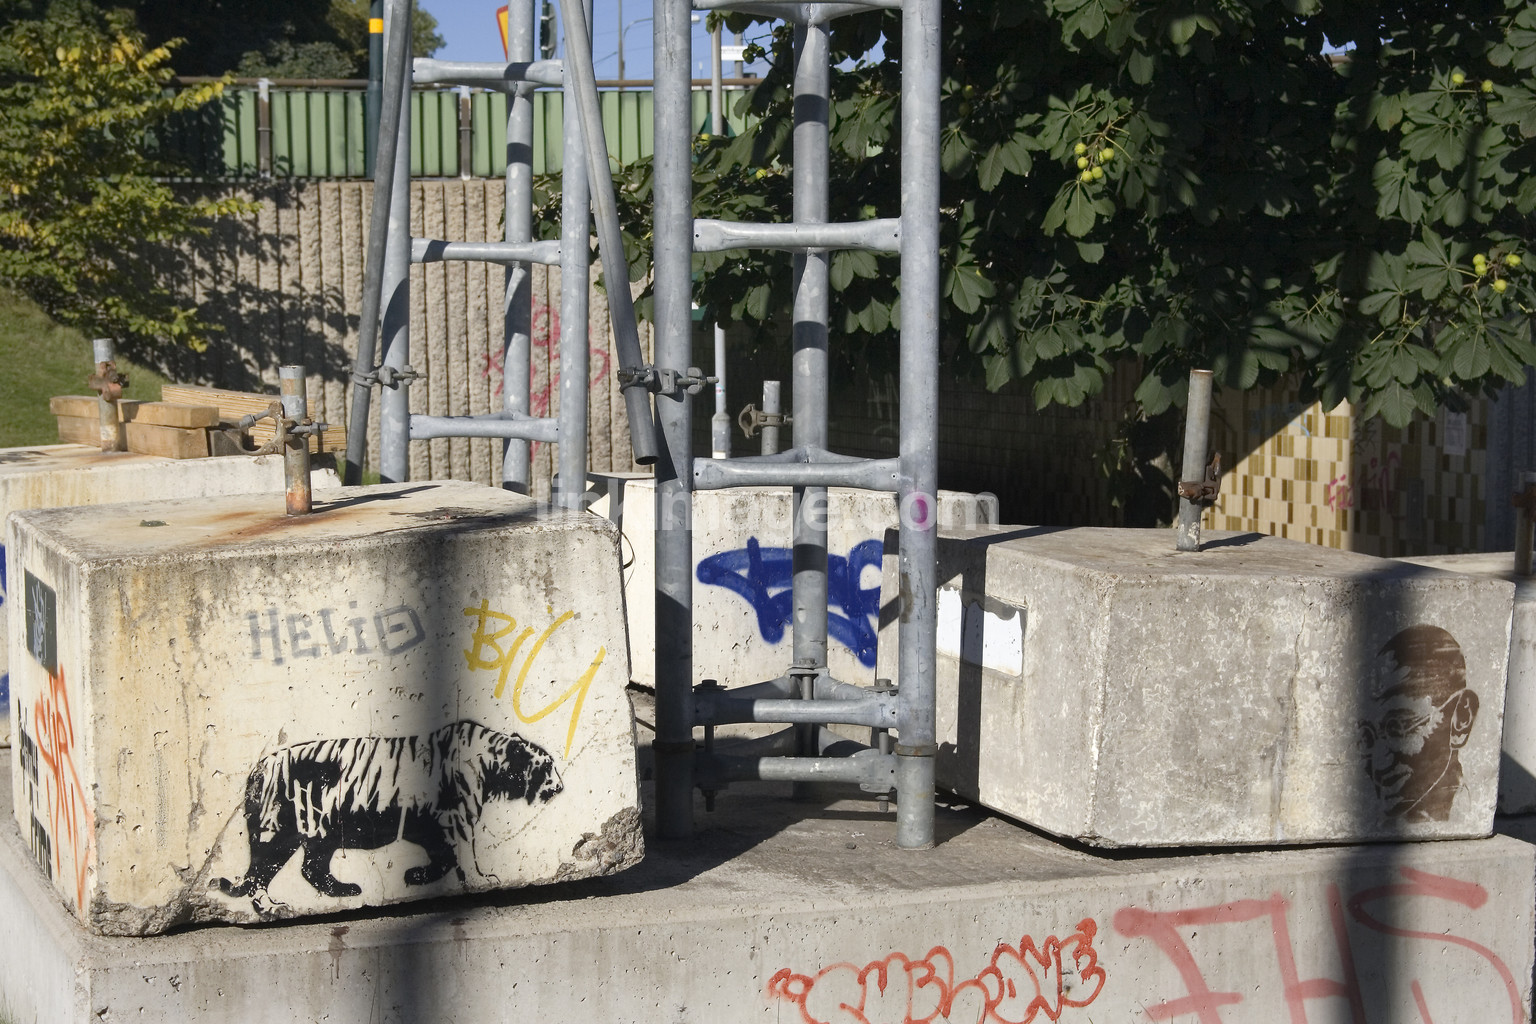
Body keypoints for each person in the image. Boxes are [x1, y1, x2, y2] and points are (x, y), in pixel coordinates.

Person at [1357, 624, 1479, 822]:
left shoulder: (1470, 814)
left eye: (1397, 728)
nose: (1379, 764)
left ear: (1461, 720)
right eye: (1367, 736)